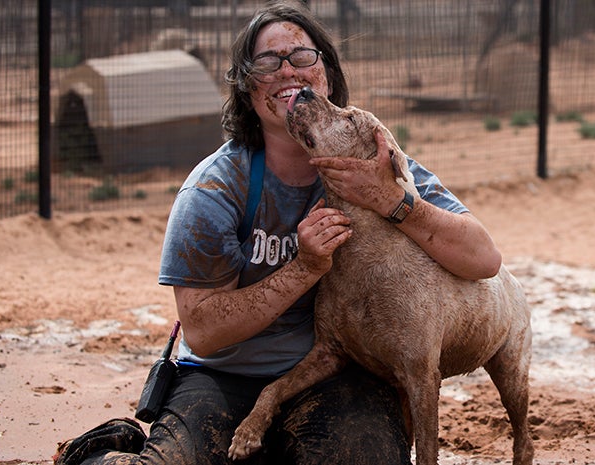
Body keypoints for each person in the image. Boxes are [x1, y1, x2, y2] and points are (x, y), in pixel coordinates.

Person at [53, 1, 501, 464]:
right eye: (268, 62)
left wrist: (391, 201)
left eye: (302, 57)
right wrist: (305, 268)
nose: (288, 71)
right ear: (248, 88)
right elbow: (203, 333)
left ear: (326, 74)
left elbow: (483, 260)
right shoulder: (215, 187)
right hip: (222, 376)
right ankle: (106, 449)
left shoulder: (374, 164)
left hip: (335, 375)